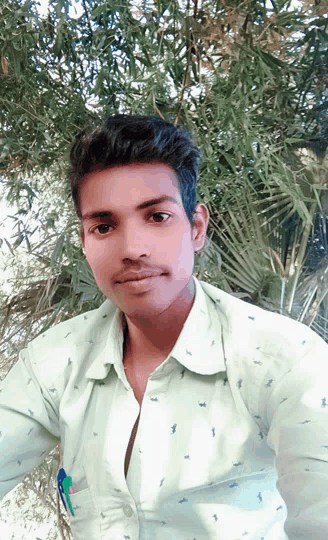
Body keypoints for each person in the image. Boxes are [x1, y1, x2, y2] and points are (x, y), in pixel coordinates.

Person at [0, 114, 327, 540]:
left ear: (196, 227)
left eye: (156, 217)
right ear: (84, 242)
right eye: (103, 226)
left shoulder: (283, 359)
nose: (132, 249)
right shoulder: (54, 362)